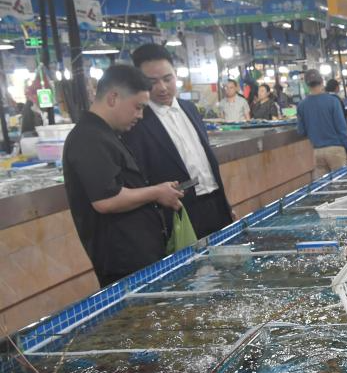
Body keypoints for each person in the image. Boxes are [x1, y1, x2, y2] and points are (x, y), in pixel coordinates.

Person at [63, 64, 184, 287]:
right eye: (137, 107)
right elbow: (106, 200)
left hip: (140, 255)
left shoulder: (107, 134)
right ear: (113, 98)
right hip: (123, 263)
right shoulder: (88, 138)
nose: (140, 115)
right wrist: (157, 192)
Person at [125, 43, 234, 239]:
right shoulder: (137, 122)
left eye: (168, 79)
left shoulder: (190, 108)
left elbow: (206, 163)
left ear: (176, 74)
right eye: (152, 82)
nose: (162, 88)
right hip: (179, 214)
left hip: (216, 204)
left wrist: (225, 206)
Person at [296, 68, 347, 177]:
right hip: (336, 150)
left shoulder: (302, 105)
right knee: (341, 186)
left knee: (323, 188)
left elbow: (301, 131)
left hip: (317, 152)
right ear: (322, 82)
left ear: (306, 85)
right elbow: (341, 129)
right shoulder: (333, 101)